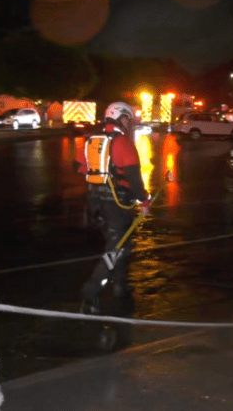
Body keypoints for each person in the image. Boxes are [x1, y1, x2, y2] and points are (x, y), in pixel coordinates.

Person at [74, 101, 150, 316]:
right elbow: (135, 180)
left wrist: (100, 171)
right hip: (117, 205)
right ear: (120, 118)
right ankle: (91, 292)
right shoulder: (123, 142)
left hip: (96, 204)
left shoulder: (92, 140)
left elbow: (78, 166)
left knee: (119, 245)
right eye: (127, 118)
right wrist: (144, 202)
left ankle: (120, 287)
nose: (129, 122)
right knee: (116, 249)